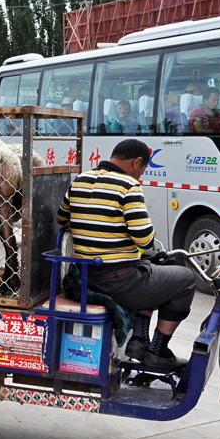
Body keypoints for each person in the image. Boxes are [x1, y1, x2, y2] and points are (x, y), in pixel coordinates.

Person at [57, 139, 196, 369]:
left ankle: (140, 340)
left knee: (150, 268)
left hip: (83, 277)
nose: (140, 175)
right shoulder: (128, 186)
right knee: (186, 280)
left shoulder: (80, 180)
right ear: (137, 162)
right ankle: (158, 351)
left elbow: (62, 219)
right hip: (117, 281)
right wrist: (149, 233)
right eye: (142, 170)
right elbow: (144, 238)